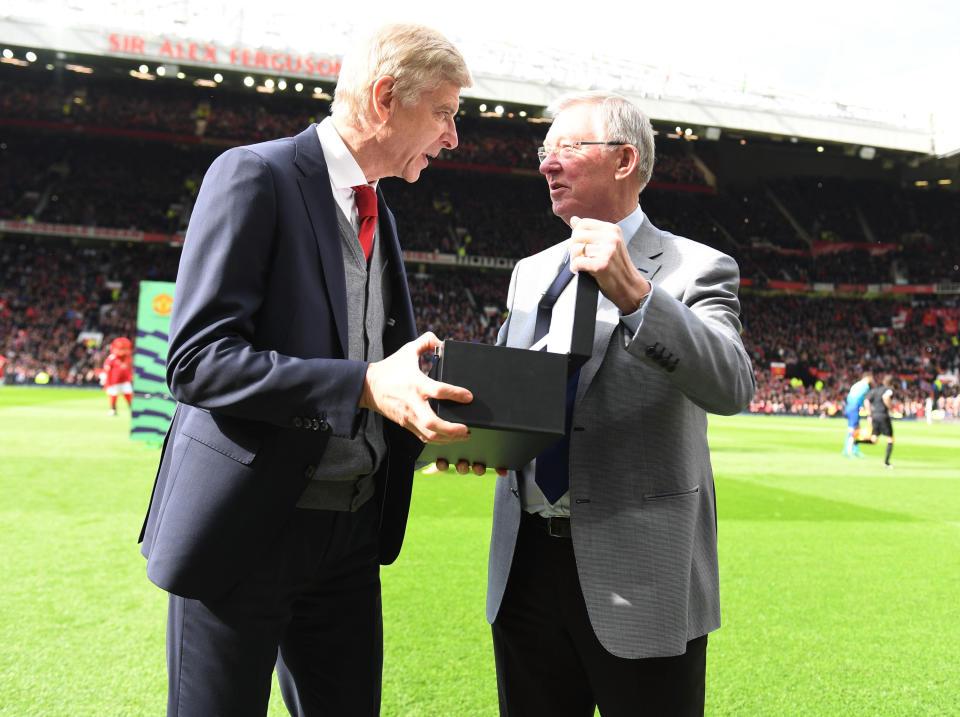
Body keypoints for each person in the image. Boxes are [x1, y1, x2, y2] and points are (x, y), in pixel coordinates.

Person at [138, 24, 473, 716]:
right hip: (244, 532)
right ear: (385, 97)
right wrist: (361, 384)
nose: (453, 136)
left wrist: (443, 415)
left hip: (349, 533)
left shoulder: (377, 205)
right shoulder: (255, 176)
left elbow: (374, 361)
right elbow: (197, 362)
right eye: (444, 112)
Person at [443, 91, 755, 716]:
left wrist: (638, 295)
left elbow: (732, 384)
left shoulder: (697, 267)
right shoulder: (531, 272)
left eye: (564, 148)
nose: (546, 165)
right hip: (525, 567)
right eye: (543, 151)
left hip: (641, 573)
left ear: (622, 161)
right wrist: (478, 434)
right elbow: (514, 388)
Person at [842, 371, 874, 458]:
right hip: (854, 407)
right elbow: (864, 399)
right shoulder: (865, 386)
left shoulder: (856, 384)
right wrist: (864, 408)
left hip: (850, 406)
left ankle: (854, 450)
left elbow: (850, 396)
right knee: (853, 430)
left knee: (856, 429)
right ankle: (848, 451)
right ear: (868, 377)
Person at [100, 336, 133, 415]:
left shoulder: (128, 358)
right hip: (114, 382)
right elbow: (107, 370)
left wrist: (130, 377)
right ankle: (113, 409)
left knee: (129, 395)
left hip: (125, 381)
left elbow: (129, 369)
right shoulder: (111, 358)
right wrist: (107, 382)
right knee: (113, 395)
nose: (124, 351)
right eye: (122, 349)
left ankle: (132, 410)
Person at [869, 373, 896, 468]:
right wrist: (891, 409)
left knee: (874, 439)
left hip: (875, 415)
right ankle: (886, 462)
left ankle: (856, 442)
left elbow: (867, 400)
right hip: (883, 415)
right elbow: (886, 397)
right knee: (890, 439)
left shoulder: (876, 390)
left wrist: (869, 414)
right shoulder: (889, 390)